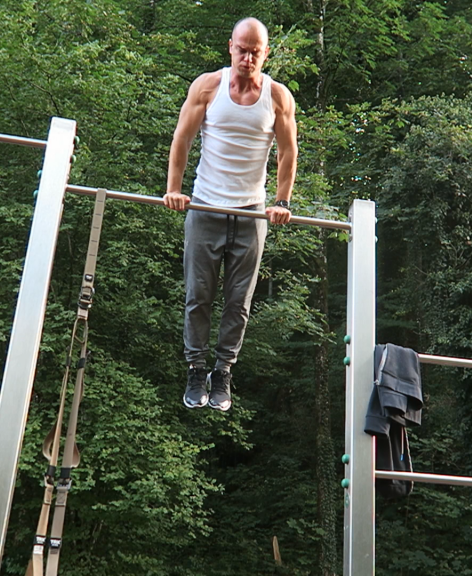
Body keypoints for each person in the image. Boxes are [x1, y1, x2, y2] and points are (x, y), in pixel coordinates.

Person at [163, 17, 297, 411]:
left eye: (256, 51)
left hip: (252, 213)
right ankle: (195, 368)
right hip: (205, 206)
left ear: (265, 53)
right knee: (198, 295)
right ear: (230, 47)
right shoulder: (208, 86)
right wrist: (173, 190)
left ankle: (222, 373)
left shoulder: (277, 96)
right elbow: (182, 138)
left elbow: (288, 151)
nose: (248, 57)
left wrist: (282, 201)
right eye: (242, 49)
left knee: (239, 301)